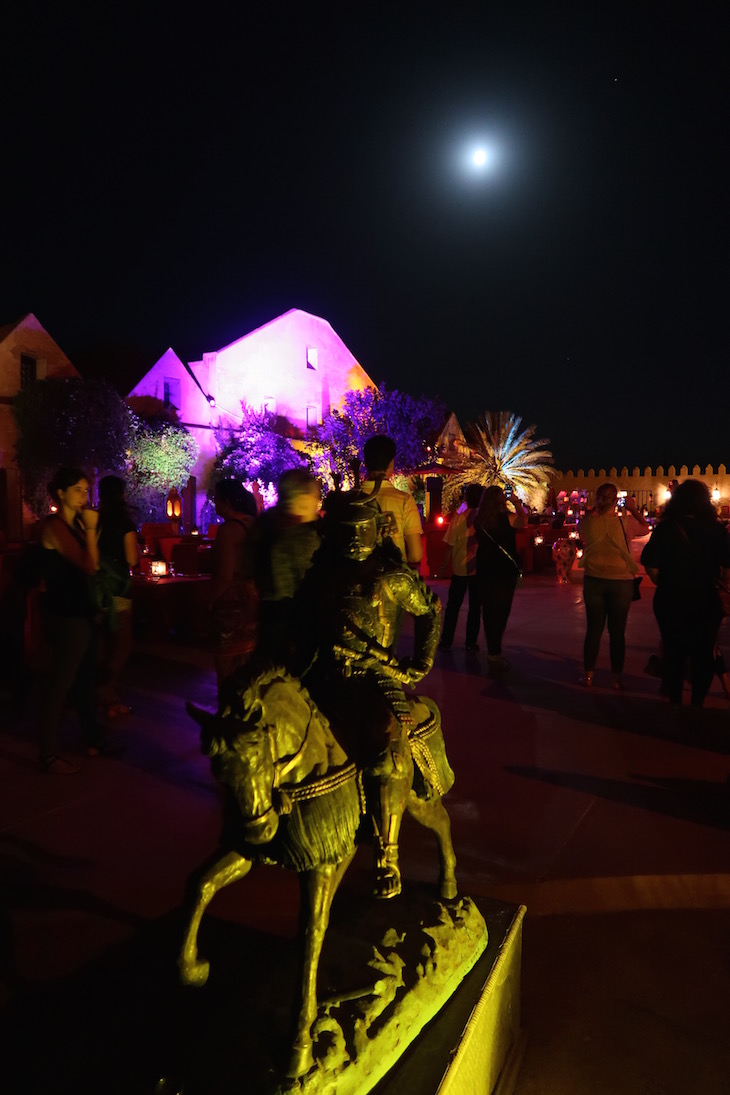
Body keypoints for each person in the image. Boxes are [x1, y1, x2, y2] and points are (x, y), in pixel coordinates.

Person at [297, 486, 449, 899]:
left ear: (377, 530)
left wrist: (420, 662)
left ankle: (388, 854)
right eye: (343, 530)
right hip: (325, 674)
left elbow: (430, 611)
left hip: (376, 680)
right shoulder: (320, 574)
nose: (351, 538)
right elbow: (303, 627)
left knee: (385, 751)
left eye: (358, 529)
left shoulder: (392, 577)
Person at [37, 468, 116, 773]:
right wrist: (93, 531)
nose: (85, 496)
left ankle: (91, 737)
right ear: (61, 493)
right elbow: (89, 566)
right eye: (78, 490)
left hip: (82, 612)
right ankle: (48, 754)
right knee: (60, 683)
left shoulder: (74, 526)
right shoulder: (54, 527)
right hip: (66, 614)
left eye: (86, 490)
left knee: (84, 679)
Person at [640, 479, 730, 709]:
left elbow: (649, 563)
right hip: (706, 601)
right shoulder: (716, 529)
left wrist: (664, 580)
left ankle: (676, 701)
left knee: (673, 652)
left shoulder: (667, 528)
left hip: (671, 599)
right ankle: (697, 703)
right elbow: (728, 565)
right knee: (703, 654)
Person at [249, 467, 322, 664]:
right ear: (301, 497)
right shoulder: (301, 533)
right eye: (313, 495)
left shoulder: (266, 523)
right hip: (296, 615)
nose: (316, 501)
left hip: (269, 611)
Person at [578, 482, 648, 689]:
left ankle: (589, 675)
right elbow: (645, 527)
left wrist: (593, 512)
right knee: (617, 632)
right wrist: (633, 508)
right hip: (621, 581)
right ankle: (617, 678)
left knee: (593, 630)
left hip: (594, 579)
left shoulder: (587, 523)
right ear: (616, 500)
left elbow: (582, 534)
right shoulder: (626, 523)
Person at [209, 479, 259, 698]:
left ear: (227, 502)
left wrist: (211, 600)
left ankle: (228, 713)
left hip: (232, 602)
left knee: (228, 664)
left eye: (216, 499)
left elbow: (225, 574)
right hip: (255, 596)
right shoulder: (254, 524)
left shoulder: (229, 530)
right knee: (248, 661)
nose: (214, 503)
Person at [96, 475, 139, 718]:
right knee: (122, 643)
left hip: (96, 588)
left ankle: (97, 694)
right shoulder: (124, 523)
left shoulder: (95, 521)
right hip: (118, 588)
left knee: (101, 643)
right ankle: (106, 693)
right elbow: (132, 559)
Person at [475, 485, 527, 675]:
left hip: (485, 570)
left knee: (488, 612)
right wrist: (515, 502)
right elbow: (524, 520)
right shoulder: (509, 519)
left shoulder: (479, 521)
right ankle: (495, 652)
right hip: (505, 572)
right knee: (501, 612)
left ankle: (492, 650)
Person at [360, 435, 423, 568]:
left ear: (365, 463)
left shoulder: (352, 500)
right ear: (391, 463)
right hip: (394, 580)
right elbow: (416, 555)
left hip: (358, 579)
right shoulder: (404, 501)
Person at [438, 483, 483, 651]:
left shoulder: (458, 519)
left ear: (466, 498)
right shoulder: (484, 519)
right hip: (478, 570)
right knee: (475, 608)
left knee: (453, 607)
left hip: (459, 570)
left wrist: (443, 567)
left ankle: (447, 640)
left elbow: (449, 545)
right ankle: (471, 643)